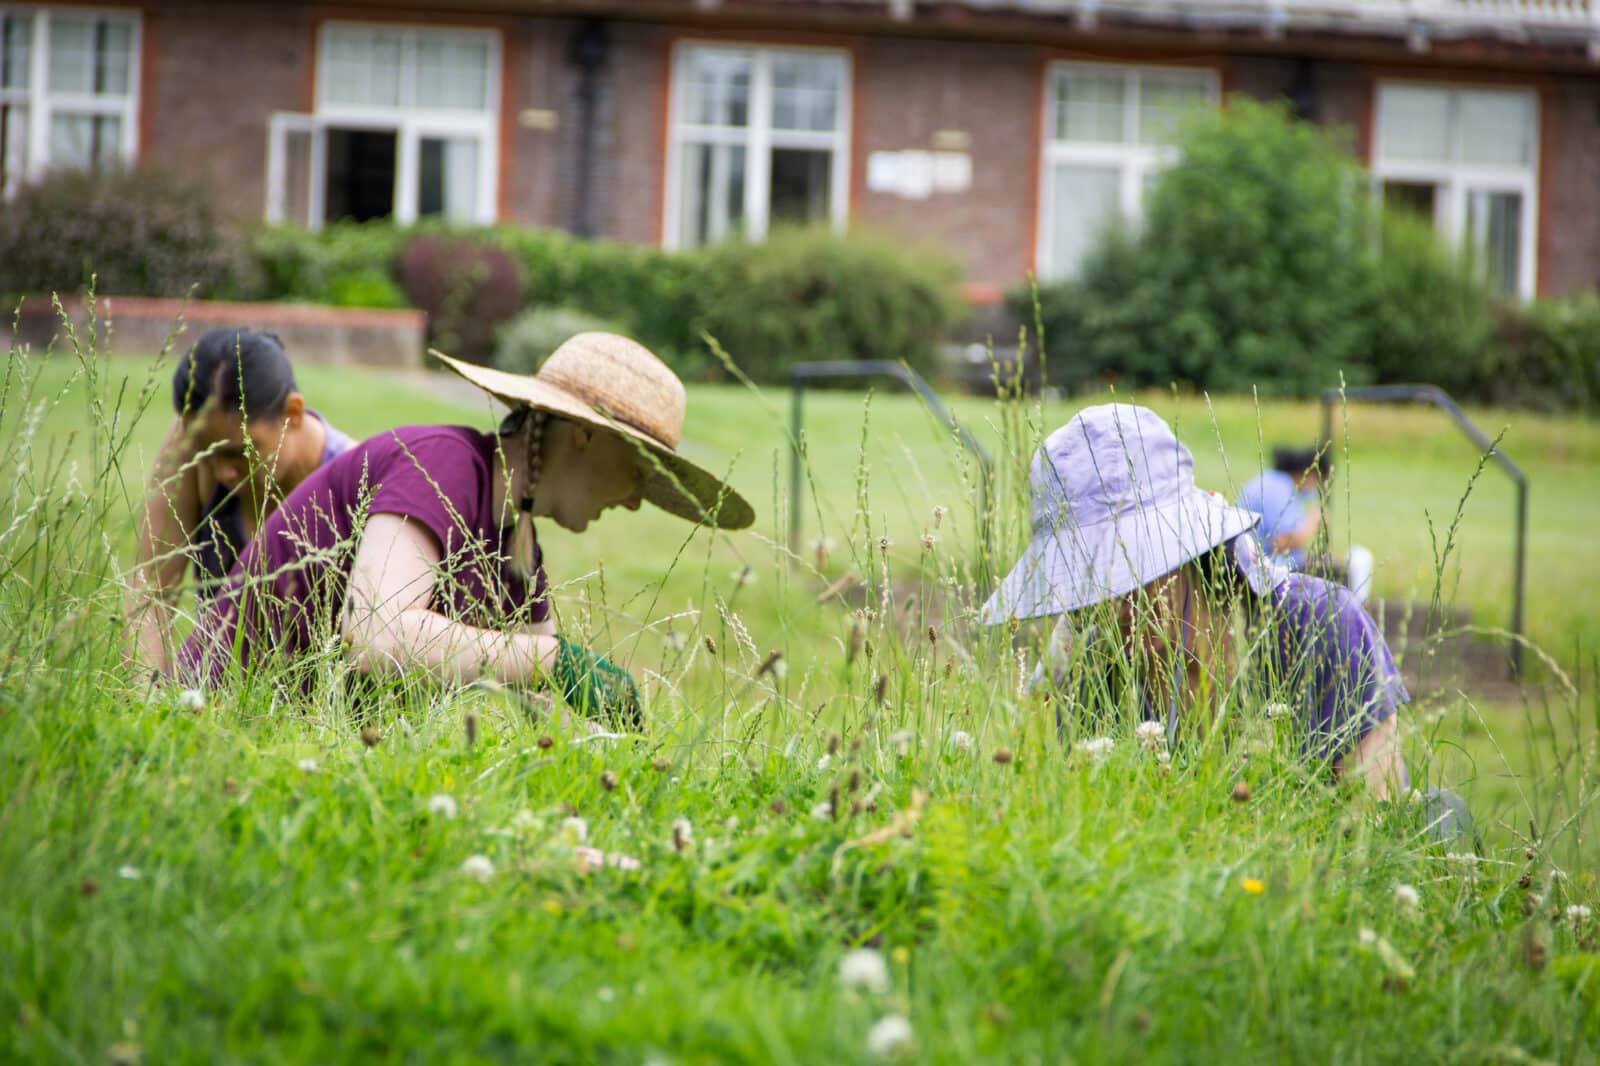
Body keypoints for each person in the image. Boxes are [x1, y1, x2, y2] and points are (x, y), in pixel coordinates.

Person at [174, 332, 753, 729]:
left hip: (297, 750)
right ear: (584, 435)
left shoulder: (516, 544)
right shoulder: (444, 463)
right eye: (639, 473)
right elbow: (377, 637)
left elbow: (541, 710)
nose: (633, 502)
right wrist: (558, 663)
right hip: (213, 728)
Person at [983, 404, 1410, 798]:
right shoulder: (1093, 673)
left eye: (1133, 571)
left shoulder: (1321, 624)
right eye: (1092, 583)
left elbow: (1375, 831)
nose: (1114, 606)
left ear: (1187, 547)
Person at [127, 328, 353, 673]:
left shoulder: (353, 478)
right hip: (212, 702)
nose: (222, 473)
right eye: (206, 453)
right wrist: (148, 703)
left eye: (240, 453)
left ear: (293, 414)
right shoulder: (201, 437)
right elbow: (150, 592)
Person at [1238, 445, 1373, 605]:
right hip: (1268, 572)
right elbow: (1279, 543)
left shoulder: (1274, 481)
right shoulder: (1279, 488)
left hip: (1264, 567)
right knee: (1358, 562)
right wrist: (1313, 523)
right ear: (1310, 475)